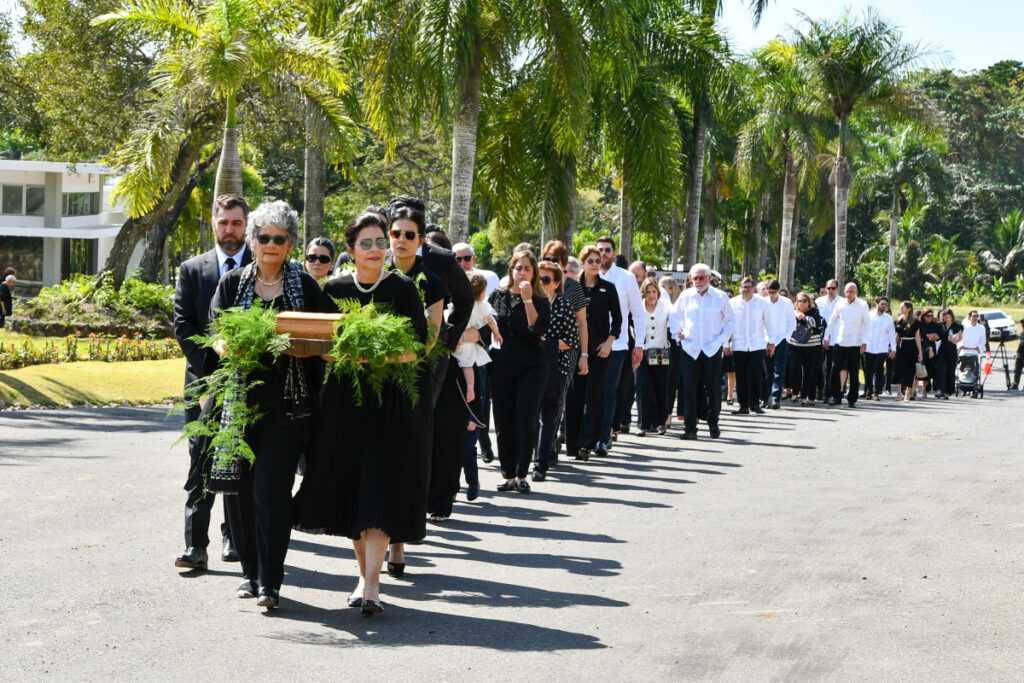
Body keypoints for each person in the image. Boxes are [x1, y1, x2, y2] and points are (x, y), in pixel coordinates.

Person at [294, 210, 428, 615]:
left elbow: (417, 347)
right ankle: (362, 575)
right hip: (343, 405)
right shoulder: (332, 290)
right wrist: (342, 354)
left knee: (378, 490)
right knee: (355, 490)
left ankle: (372, 586)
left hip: (390, 404)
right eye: (366, 243)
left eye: (381, 242)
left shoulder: (403, 289)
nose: (376, 250)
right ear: (349, 251)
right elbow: (319, 346)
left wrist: (378, 355)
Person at [207, 200, 323, 609]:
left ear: (290, 245)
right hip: (239, 403)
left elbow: (326, 340)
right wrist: (227, 349)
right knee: (238, 491)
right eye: (263, 237)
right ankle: (249, 573)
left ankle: (271, 580)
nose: (270, 244)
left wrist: (305, 347)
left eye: (280, 238)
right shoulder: (231, 283)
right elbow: (215, 333)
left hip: (287, 406)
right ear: (252, 242)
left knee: (270, 491)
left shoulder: (305, 287)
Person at [172, 194, 252, 571]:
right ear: (214, 223)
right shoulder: (192, 269)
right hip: (203, 382)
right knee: (200, 463)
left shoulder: (264, 264)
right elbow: (183, 325)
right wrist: (212, 370)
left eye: (237, 223)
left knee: (240, 461)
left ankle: (232, 537)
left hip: (251, 385)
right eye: (224, 222)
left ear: (245, 226)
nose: (230, 230)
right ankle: (194, 547)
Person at [489, 250, 550, 493]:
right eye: (518, 267)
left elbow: (538, 330)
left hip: (532, 367)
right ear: (511, 270)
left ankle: (523, 473)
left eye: (527, 268)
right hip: (501, 365)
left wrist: (527, 300)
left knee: (525, 419)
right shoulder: (498, 295)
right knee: (504, 419)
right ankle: (508, 474)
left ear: (533, 273)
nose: (522, 272)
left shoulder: (540, 299)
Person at [566, 246, 621, 461]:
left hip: (599, 349)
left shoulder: (608, 288)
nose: (595, 264)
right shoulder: (571, 286)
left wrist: (609, 342)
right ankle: (571, 441)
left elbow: (617, 319)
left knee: (594, 396)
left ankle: (586, 444)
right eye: (590, 260)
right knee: (574, 396)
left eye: (598, 260)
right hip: (571, 347)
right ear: (582, 263)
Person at [670, 263, 735, 439]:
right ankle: (690, 428)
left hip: (712, 348)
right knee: (689, 388)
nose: (698, 281)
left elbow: (730, 321)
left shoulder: (720, 297)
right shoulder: (685, 296)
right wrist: (678, 334)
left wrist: (721, 340)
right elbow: (674, 317)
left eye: (701, 278)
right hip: (690, 348)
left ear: (709, 278)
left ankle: (713, 423)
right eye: (695, 278)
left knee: (713, 388)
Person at [595, 236, 645, 455]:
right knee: (591, 392)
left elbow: (638, 313)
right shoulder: (588, 274)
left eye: (607, 250)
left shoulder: (626, 278)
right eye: (600, 250)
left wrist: (640, 345)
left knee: (608, 391)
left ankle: (604, 438)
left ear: (614, 253)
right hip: (590, 345)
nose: (603, 253)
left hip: (618, 344)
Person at [533, 261, 579, 479]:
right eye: (538, 279)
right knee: (531, 415)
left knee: (549, 415)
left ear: (556, 282)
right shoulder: (529, 303)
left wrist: (546, 343)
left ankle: (541, 463)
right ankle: (531, 457)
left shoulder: (564, 305)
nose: (541, 283)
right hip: (530, 367)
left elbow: (572, 340)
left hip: (557, 367)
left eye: (546, 279)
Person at [726, 277, 774, 415]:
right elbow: (727, 324)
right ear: (739, 287)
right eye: (743, 287)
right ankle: (743, 405)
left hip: (757, 344)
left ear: (753, 288)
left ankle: (755, 403)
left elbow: (769, 323)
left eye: (749, 287)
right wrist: (725, 344)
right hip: (739, 344)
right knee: (740, 377)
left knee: (755, 375)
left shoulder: (762, 303)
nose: (746, 290)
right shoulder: (732, 303)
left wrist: (771, 342)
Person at [453, 273, 502, 401]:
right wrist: (497, 334)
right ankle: (470, 386)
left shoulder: (458, 304)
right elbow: (491, 322)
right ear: (481, 293)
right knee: (467, 367)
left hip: (456, 341)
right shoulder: (483, 307)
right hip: (469, 345)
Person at [822, 282, 870, 408]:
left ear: (856, 292)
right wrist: (826, 337)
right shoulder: (840, 303)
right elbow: (832, 321)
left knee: (854, 373)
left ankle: (852, 399)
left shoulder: (863, 305)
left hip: (855, 344)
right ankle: (836, 396)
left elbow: (867, 324)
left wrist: (865, 341)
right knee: (834, 370)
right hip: (840, 342)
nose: (849, 294)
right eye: (847, 291)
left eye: (851, 291)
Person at [635, 278, 672, 436]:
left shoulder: (666, 307)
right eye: (648, 292)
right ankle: (642, 425)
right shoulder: (638, 307)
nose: (651, 295)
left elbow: (676, 323)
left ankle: (661, 422)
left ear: (658, 292)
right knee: (642, 387)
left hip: (659, 351)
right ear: (644, 293)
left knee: (660, 388)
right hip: (642, 351)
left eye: (654, 292)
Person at [762, 280, 796, 409]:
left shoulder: (786, 303)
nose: (771, 295)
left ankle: (776, 398)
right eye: (769, 292)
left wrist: (786, 338)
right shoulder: (763, 302)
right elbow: (761, 322)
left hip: (781, 339)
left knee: (779, 371)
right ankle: (766, 399)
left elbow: (791, 323)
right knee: (767, 372)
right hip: (766, 339)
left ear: (778, 290)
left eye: (774, 292)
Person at [788, 292, 826, 406]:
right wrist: (796, 314)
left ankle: (806, 396)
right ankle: (795, 392)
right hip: (795, 345)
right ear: (796, 302)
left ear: (809, 302)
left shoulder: (814, 312)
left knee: (809, 372)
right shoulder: (792, 312)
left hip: (812, 347)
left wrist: (802, 316)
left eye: (805, 300)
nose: (802, 303)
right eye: (800, 301)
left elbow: (812, 323)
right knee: (794, 369)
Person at [863, 297, 896, 401]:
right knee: (868, 371)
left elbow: (891, 335)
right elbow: (862, 330)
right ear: (876, 304)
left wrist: (893, 349)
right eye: (882, 304)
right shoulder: (868, 315)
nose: (884, 306)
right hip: (868, 348)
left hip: (882, 349)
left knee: (879, 371)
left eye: (885, 304)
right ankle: (869, 390)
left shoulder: (889, 319)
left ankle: (876, 392)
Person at [815, 279, 840, 401]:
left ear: (837, 289)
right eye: (828, 288)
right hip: (819, 340)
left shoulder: (842, 302)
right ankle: (820, 388)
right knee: (818, 367)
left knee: (832, 368)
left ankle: (828, 393)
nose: (830, 291)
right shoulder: (819, 302)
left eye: (833, 288)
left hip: (835, 340)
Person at [894, 301, 924, 403]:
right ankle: (898, 392)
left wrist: (920, 352)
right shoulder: (898, 320)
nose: (900, 309)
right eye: (900, 307)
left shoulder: (915, 321)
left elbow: (917, 337)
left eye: (902, 307)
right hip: (900, 346)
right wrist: (893, 347)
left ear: (909, 309)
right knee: (899, 368)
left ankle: (908, 393)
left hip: (911, 346)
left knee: (910, 370)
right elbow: (896, 336)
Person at [935, 309, 962, 398]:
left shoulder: (957, 326)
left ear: (952, 317)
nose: (946, 319)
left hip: (951, 349)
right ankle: (938, 390)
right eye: (945, 317)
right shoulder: (940, 325)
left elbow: (960, 337)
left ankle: (947, 392)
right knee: (940, 368)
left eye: (948, 317)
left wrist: (955, 341)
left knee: (950, 371)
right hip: (942, 348)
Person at [918, 308, 943, 397]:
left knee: (928, 370)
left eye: (932, 316)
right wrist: (928, 336)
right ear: (923, 316)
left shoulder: (935, 325)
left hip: (931, 349)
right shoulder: (919, 324)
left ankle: (924, 389)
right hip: (920, 348)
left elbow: (939, 336)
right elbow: (918, 335)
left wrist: (936, 337)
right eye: (928, 316)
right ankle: (912, 390)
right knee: (917, 368)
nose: (930, 318)